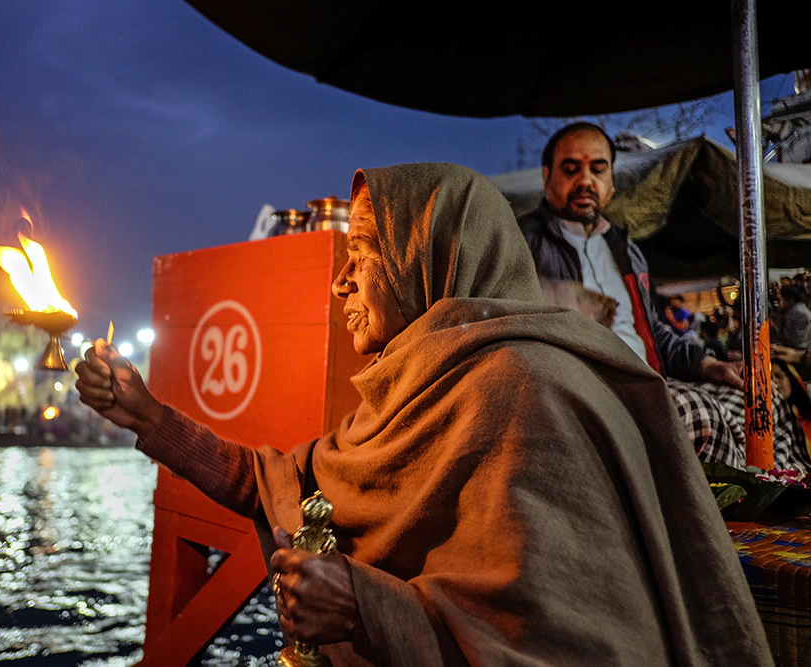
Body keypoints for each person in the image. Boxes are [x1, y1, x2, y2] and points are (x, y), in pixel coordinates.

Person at [76, 163, 769, 664]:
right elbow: (278, 481)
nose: (342, 277)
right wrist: (146, 414)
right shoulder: (407, 390)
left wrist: (362, 604)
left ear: (433, 260)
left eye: (363, 253)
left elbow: (573, 643)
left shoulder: (523, 391)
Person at [516, 122, 743, 389]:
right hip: (583, 396)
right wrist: (556, 295)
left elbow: (651, 332)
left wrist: (709, 365)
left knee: (758, 397)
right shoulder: (521, 242)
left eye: (598, 170)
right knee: (709, 417)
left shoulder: (626, 250)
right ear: (547, 176)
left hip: (652, 385)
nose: (586, 181)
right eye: (570, 169)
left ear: (611, 181)